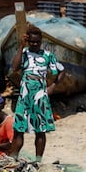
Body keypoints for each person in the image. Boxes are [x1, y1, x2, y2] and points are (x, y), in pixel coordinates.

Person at [6, 27, 63, 162]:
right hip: (24, 97)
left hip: (40, 97)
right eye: (32, 42)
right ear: (28, 41)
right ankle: (12, 160)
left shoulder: (48, 56)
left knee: (40, 131)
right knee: (19, 130)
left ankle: (38, 161)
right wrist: (21, 46)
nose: (35, 44)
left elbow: (61, 71)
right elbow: (14, 68)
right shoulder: (24, 53)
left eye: (37, 42)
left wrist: (53, 87)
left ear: (41, 41)